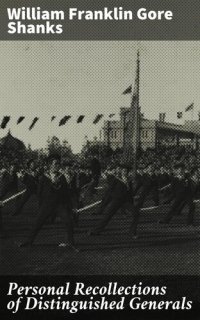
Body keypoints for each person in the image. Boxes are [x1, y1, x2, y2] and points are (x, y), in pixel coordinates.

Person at [20, 154, 77, 251]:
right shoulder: (44, 177)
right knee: (37, 223)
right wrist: (41, 206)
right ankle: (29, 241)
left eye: (58, 164)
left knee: (69, 221)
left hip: (59, 205)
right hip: (47, 205)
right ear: (50, 165)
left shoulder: (62, 177)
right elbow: (39, 193)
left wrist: (71, 206)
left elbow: (66, 193)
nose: (57, 165)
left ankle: (71, 243)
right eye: (55, 164)